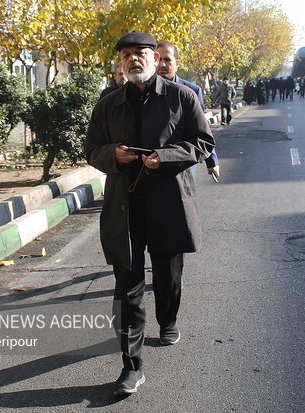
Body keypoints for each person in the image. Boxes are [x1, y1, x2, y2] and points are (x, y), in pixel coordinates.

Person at [84, 31, 215, 397]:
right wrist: (113, 155)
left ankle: (168, 319)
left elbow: (204, 142)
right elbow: (91, 148)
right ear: (121, 63)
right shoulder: (108, 104)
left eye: (140, 53)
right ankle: (131, 366)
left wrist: (166, 157)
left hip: (168, 202)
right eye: (126, 55)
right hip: (124, 207)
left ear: (155, 57)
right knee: (127, 288)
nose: (133, 60)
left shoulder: (181, 96)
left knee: (168, 274)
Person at [156, 40, 219, 178]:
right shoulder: (146, 91)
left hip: (182, 164)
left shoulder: (191, 91)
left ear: (177, 63)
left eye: (167, 60)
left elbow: (201, 128)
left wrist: (211, 160)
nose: (162, 65)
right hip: (155, 163)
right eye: (158, 59)